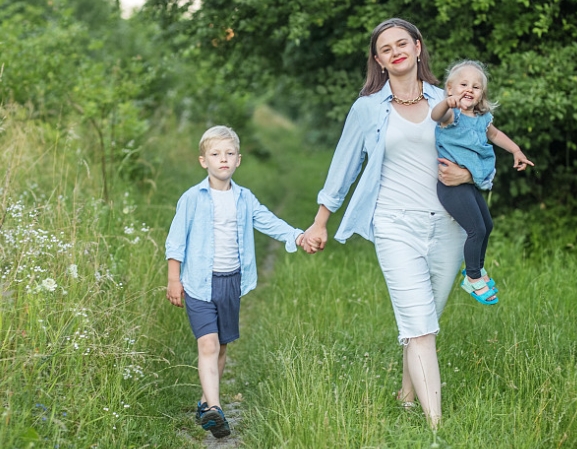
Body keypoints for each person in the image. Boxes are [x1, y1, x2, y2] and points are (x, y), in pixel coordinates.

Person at [301, 18, 472, 429]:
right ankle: (436, 430)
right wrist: (320, 222)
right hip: (395, 225)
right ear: (378, 61)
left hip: (450, 225)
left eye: (402, 43)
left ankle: (407, 398)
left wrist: (469, 176)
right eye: (385, 48)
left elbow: (479, 152)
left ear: (417, 48)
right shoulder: (367, 109)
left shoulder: (448, 99)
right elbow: (342, 167)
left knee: (424, 321)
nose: (395, 51)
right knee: (420, 326)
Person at [165, 125, 304, 438]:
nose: (222, 159)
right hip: (199, 282)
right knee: (208, 343)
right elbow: (175, 241)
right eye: (216, 154)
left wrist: (296, 235)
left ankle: (205, 404)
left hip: (231, 282)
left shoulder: (244, 198)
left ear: (238, 160)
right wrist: (174, 279)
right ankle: (215, 408)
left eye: (229, 154)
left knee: (222, 346)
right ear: (204, 161)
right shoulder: (192, 198)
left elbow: (268, 220)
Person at [431, 60, 534, 305]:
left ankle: (475, 269)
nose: (470, 89)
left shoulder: (480, 118)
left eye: (476, 87)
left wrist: (516, 151)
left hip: (469, 183)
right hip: (451, 185)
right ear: (450, 88)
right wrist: (447, 103)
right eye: (464, 84)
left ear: (481, 94)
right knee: (475, 229)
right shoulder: (451, 115)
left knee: (487, 225)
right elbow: (436, 115)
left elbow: (495, 134)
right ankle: (473, 278)